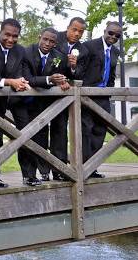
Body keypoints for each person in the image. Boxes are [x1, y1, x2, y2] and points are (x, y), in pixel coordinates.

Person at [0, 18, 29, 190]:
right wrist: (9, 81)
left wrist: (22, 81)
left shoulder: (20, 51)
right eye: (7, 35)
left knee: (16, 136)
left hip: (10, 100)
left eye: (15, 36)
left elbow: (21, 72)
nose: (10, 39)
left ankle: (1, 176)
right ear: (0, 32)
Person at [22, 27, 69, 186]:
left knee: (59, 134)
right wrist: (49, 79)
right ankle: (36, 173)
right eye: (45, 39)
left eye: (52, 41)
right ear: (39, 37)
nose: (48, 43)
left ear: (56, 43)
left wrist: (64, 81)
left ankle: (59, 171)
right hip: (29, 103)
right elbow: (28, 78)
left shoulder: (59, 57)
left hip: (53, 104)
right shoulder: (27, 52)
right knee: (35, 137)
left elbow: (65, 75)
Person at [82, 21, 121, 179]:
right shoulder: (89, 46)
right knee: (86, 131)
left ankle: (93, 167)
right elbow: (81, 69)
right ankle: (83, 167)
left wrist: (110, 89)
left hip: (104, 97)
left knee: (100, 132)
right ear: (105, 30)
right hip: (87, 95)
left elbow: (111, 72)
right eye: (111, 33)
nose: (113, 37)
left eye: (117, 35)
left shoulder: (115, 52)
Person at [52, 17, 89, 181]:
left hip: (65, 96)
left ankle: (59, 169)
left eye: (81, 32)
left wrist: (73, 66)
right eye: (74, 29)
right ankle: (41, 171)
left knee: (60, 130)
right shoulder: (53, 38)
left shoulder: (84, 50)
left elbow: (80, 74)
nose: (77, 34)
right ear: (68, 27)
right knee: (37, 131)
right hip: (44, 90)